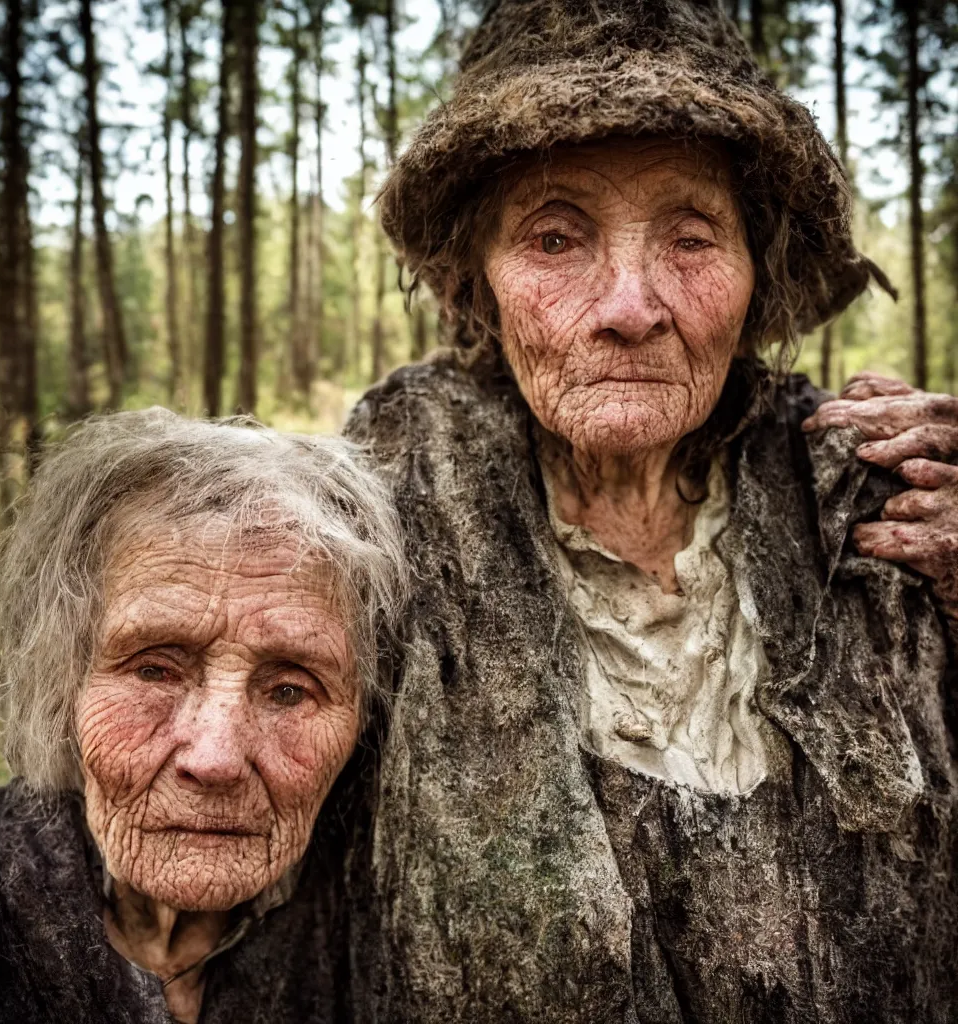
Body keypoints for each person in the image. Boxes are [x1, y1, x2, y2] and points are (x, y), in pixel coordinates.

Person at [311, 1, 958, 1021]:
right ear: (477, 279)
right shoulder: (377, 517)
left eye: (690, 238)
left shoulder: (879, 508)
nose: (627, 305)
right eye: (556, 237)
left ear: (759, 274)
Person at [0, 409, 407, 1024]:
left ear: (363, 721)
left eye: (290, 690)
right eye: (154, 670)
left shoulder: (402, 940)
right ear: (61, 685)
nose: (215, 759)